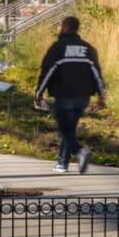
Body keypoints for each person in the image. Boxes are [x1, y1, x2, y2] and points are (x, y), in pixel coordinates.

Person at [32, 15, 105, 175]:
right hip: (82, 97)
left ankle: (79, 151)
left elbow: (47, 72)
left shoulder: (57, 48)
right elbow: (97, 73)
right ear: (77, 28)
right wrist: (101, 96)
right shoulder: (89, 49)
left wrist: (38, 93)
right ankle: (62, 163)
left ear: (64, 27)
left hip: (63, 95)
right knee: (69, 128)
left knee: (65, 129)